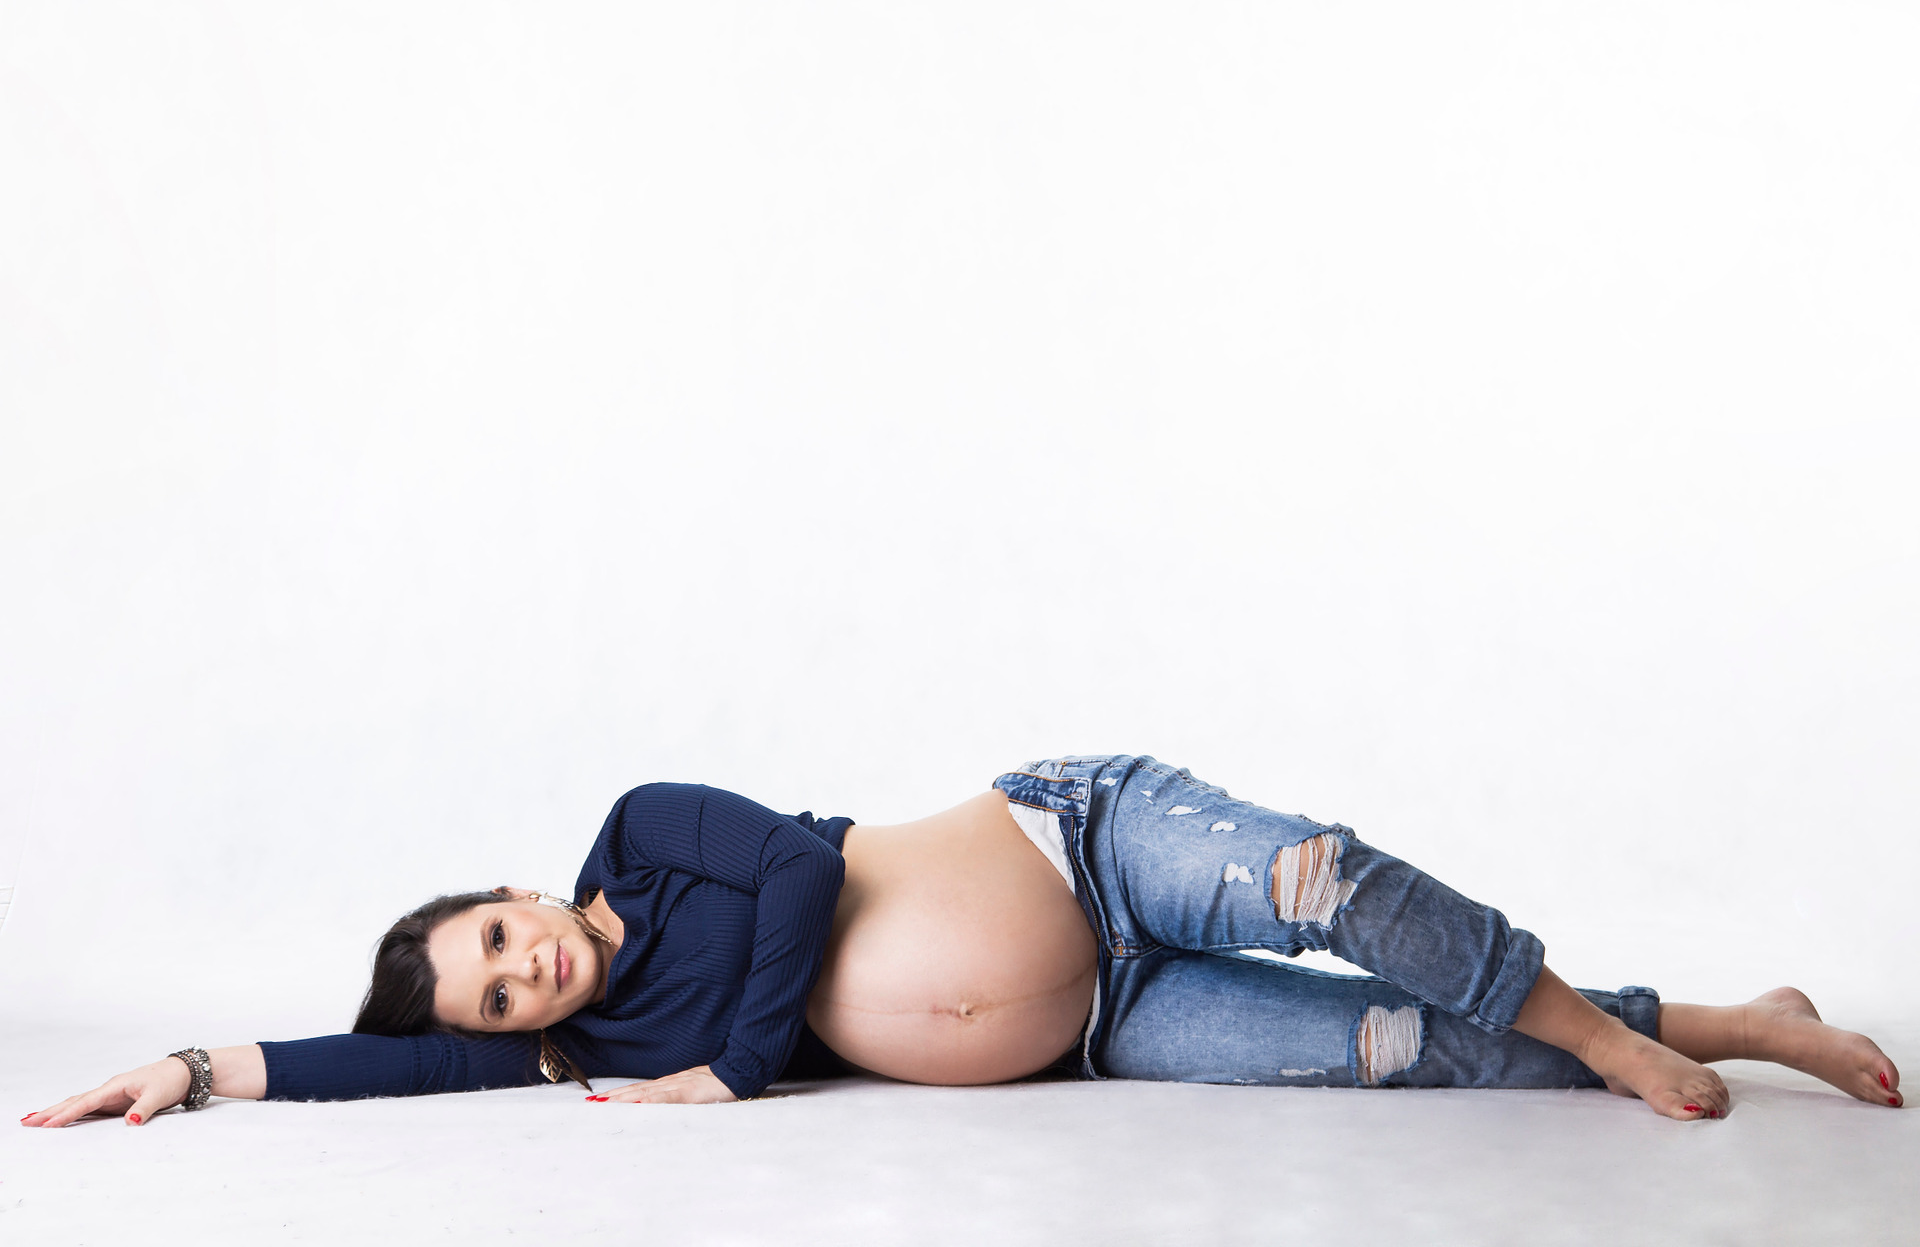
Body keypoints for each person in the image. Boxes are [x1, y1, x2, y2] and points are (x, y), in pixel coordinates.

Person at [20, 755, 1902, 1127]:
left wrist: (733, 1068)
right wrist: (196, 1069)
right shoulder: (588, 1049)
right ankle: (1739, 1020)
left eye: (502, 938)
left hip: (1082, 842)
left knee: (1327, 883)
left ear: (519, 888)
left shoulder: (647, 838)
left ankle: (1606, 1030)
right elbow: (383, 1062)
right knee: (1387, 1050)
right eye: (501, 998)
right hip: (1103, 1031)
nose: (527, 977)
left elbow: (796, 880)